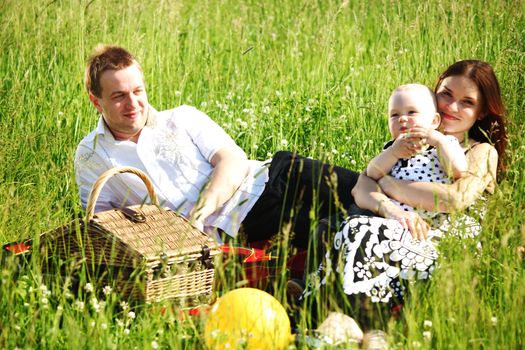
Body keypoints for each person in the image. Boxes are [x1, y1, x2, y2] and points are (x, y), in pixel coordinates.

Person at [75, 44, 360, 249]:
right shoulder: (92, 155)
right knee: (338, 228)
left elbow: (232, 160)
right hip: (244, 222)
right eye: (119, 96)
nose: (133, 103)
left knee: (364, 190)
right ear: (96, 101)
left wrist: (200, 212)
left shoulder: (181, 117)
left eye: (138, 91)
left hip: (267, 179)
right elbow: (102, 223)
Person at [295, 60, 507, 334]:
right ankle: (328, 315)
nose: (452, 107)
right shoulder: (409, 143)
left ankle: (366, 325)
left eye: (467, 102)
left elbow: (454, 199)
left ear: (481, 112)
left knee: (362, 231)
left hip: (441, 237)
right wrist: (391, 208)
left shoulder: (481, 151)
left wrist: (386, 183)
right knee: (339, 225)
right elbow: (361, 187)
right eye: (446, 94)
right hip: (401, 223)